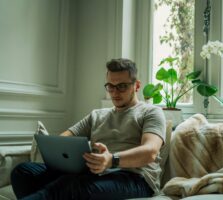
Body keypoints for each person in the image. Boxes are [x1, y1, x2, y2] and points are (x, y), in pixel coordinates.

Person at [11, 58, 166, 200]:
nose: (115, 92)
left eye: (122, 86)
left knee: (71, 186)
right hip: (95, 172)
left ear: (136, 86)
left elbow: (150, 151)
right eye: (110, 86)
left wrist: (111, 160)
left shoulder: (151, 112)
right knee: (24, 172)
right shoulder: (97, 115)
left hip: (135, 178)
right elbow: (64, 138)